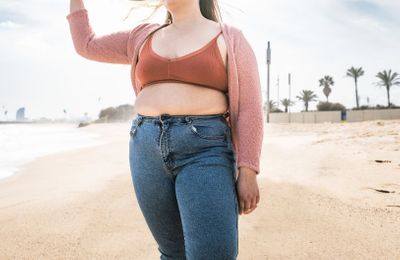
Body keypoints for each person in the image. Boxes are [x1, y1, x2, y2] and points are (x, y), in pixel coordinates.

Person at [66, 0, 264, 259]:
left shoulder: (230, 38)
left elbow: (250, 106)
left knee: (213, 254)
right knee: (172, 253)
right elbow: (86, 45)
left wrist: (248, 170)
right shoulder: (141, 36)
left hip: (205, 148)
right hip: (145, 149)